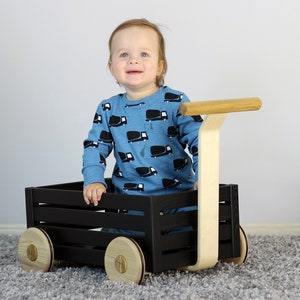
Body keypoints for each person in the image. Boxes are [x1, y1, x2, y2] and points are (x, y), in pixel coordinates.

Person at [82, 18, 202, 207]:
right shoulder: (108, 108)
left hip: (179, 198)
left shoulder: (175, 101)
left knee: (189, 230)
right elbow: (94, 147)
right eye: (123, 54)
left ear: (160, 66)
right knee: (120, 233)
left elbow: (199, 140)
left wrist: (204, 177)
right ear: (112, 67)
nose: (133, 60)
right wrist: (94, 180)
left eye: (144, 54)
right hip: (130, 202)